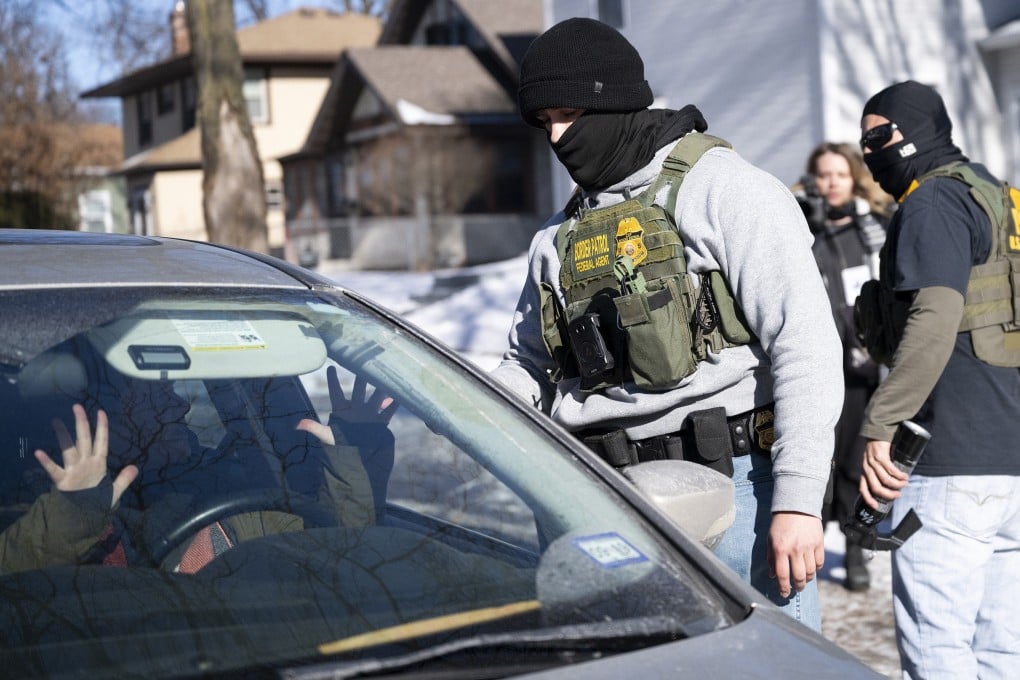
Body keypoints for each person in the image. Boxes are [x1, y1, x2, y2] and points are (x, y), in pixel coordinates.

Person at [492, 17, 844, 631]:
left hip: (730, 496)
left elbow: (805, 343)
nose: (557, 137)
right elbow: (528, 365)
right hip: (602, 505)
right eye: (544, 122)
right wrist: (454, 408)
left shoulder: (728, 191)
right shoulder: (556, 236)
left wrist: (798, 501)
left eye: (570, 114)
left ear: (616, 102)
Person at [855, 80, 1020, 678]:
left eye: (878, 136)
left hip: (949, 466)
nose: (868, 151)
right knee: (1004, 655)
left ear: (917, 130)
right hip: (1009, 469)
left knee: (938, 653)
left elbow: (935, 317)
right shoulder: (1003, 199)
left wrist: (881, 422)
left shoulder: (932, 203)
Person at [0, 367, 394, 575]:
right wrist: (76, 513)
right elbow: (17, 591)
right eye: (156, 397)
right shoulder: (31, 513)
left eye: (174, 392)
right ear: (103, 424)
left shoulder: (236, 479)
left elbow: (344, 560)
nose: (181, 408)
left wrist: (357, 448)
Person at [794, 142, 891, 592]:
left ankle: (855, 548)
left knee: (856, 463)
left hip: (864, 366)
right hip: (816, 365)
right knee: (816, 458)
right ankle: (807, 546)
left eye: (840, 174)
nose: (832, 183)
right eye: (824, 175)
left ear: (854, 178)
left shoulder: (874, 230)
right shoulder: (800, 230)